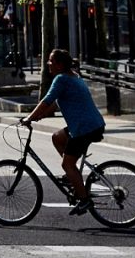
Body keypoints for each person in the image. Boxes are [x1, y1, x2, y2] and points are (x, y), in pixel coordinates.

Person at [22, 48, 105, 214]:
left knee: (67, 163)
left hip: (84, 128)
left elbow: (47, 100)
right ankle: (72, 176)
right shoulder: (73, 76)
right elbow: (56, 103)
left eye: (51, 61)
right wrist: (41, 116)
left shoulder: (61, 79)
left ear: (59, 65)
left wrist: (29, 118)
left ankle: (84, 200)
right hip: (92, 124)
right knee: (57, 137)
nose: (48, 64)